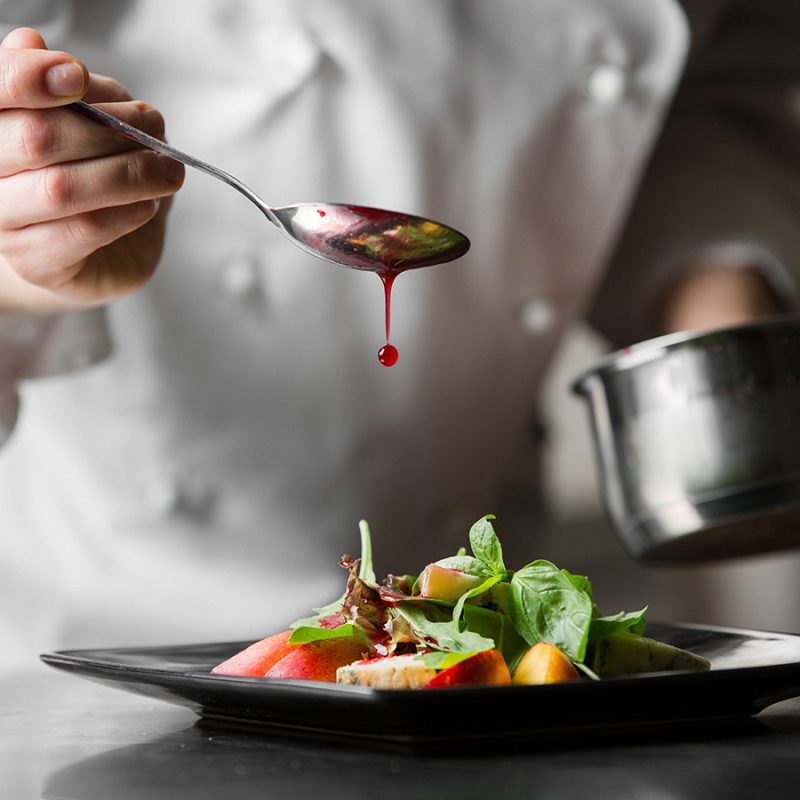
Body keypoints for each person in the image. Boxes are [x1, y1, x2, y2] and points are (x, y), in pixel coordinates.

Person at [0, 0, 798, 672]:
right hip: (112, 646)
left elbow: (705, 91)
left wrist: (724, 329)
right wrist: (30, 248)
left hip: (480, 641)